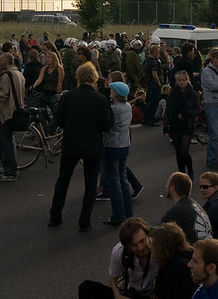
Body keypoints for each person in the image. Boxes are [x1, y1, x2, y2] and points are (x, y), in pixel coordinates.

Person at [48, 63, 114, 231]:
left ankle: (55, 216)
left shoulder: (68, 97)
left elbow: (59, 120)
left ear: (78, 77)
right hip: (92, 144)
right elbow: (107, 125)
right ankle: (84, 222)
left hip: (71, 142)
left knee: (63, 180)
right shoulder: (100, 100)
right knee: (90, 184)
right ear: (94, 78)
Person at [78, 217, 157, 299]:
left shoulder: (159, 249)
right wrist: (117, 295)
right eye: (134, 245)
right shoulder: (120, 251)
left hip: (152, 295)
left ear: (148, 235)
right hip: (129, 293)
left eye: (142, 241)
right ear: (127, 245)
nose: (140, 248)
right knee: (86, 287)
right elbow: (113, 277)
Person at [102, 81, 133, 225]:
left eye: (112, 91)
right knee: (123, 178)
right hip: (124, 144)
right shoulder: (128, 107)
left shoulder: (113, 109)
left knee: (114, 181)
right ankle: (128, 211)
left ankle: (118, 215)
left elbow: (106, 126)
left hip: (112, 145)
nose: (110, 93)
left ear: (116, 93)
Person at [0, 52, 24, 182]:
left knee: (5, 144)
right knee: (9, 142)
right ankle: (12, 169)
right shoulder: (19, 74)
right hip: (16, 112)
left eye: (0, 60)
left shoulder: (7, 76)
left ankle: (10, 172)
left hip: (6, 114)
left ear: (6, 62)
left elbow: (2, 97)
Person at [164, 71, 200, 178]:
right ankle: (182, 174)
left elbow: (197, 111)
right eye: (179, 80)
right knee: (178, 152)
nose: (181, 82)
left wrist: (185, 113)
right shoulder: (173, 93)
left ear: (187, 80)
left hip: (187, 124)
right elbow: (168, 110)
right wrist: (165, 126)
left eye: (183, 80)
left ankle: (190, 169)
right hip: (175, 124)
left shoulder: (192, 94)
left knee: (184, 151)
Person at [161, 171, 213, 244]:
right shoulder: (195, 205)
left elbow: (161, 237)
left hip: (195, 250)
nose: (166, 187)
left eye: (167, 184)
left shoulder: (175, 212)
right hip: (208, 247)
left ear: (172, 188)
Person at [150, 222, 198, 299]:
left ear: (164, 246)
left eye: (154, 243)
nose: (150, 246)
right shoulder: (180, 260)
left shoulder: (177, 268)